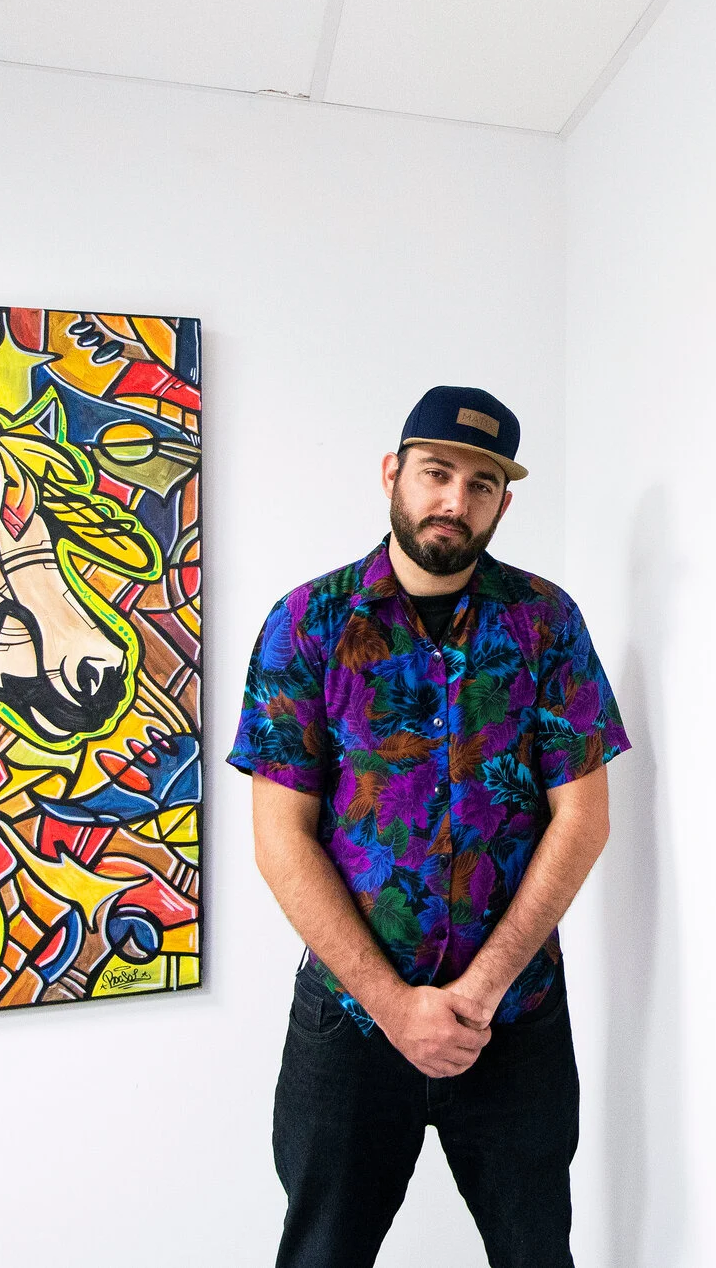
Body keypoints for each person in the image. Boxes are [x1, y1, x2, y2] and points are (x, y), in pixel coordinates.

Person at [230, 385, 629, 1268]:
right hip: (350, 1021)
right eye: (437, 472)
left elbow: (583, 818)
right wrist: (393, 1005)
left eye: (482, 484)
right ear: (393, 474)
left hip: (513, 1019)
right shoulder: (307, 624)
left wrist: (478, 993)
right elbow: (279, 837)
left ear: (503, 505)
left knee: (537, 1255)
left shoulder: (546, 622)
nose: (456, 498)